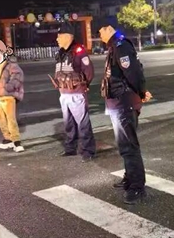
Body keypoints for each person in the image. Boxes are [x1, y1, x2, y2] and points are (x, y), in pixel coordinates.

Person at [98, 24, 152, 205]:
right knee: (124, 145)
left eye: (100, 31)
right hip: (117, 103)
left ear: (108, 29)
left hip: (124, 102)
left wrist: (142, 91)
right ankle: (130, 177)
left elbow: (133, 73)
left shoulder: (121, 46)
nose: (99, 35)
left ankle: (137, 187)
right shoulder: (114, 46)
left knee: (129, 146)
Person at [51, 23, 96, 162]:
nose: (57, 39)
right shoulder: (61, 53)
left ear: (67, 36)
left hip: (76, 93)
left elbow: (89, 71)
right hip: (64, 93)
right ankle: (70, 148)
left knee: (83, 124)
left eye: (59, 36)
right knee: (68, 123)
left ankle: (88, 151)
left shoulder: (79, 51)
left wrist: (84, 85)